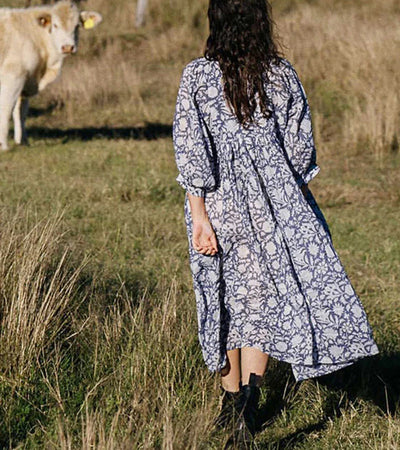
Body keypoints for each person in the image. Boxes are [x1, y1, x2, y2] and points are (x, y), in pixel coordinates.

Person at [172, 0, 379, 444]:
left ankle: (234, 408)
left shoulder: (197, 76)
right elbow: (301, 153)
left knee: (225, 300)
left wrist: (200, 218)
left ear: (217, 22)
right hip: (276, 208)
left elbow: (192, 154)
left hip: (218, 207)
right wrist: (285, 194)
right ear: (261, 23)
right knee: (262, 304)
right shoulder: (282, 74)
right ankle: (248, 401)